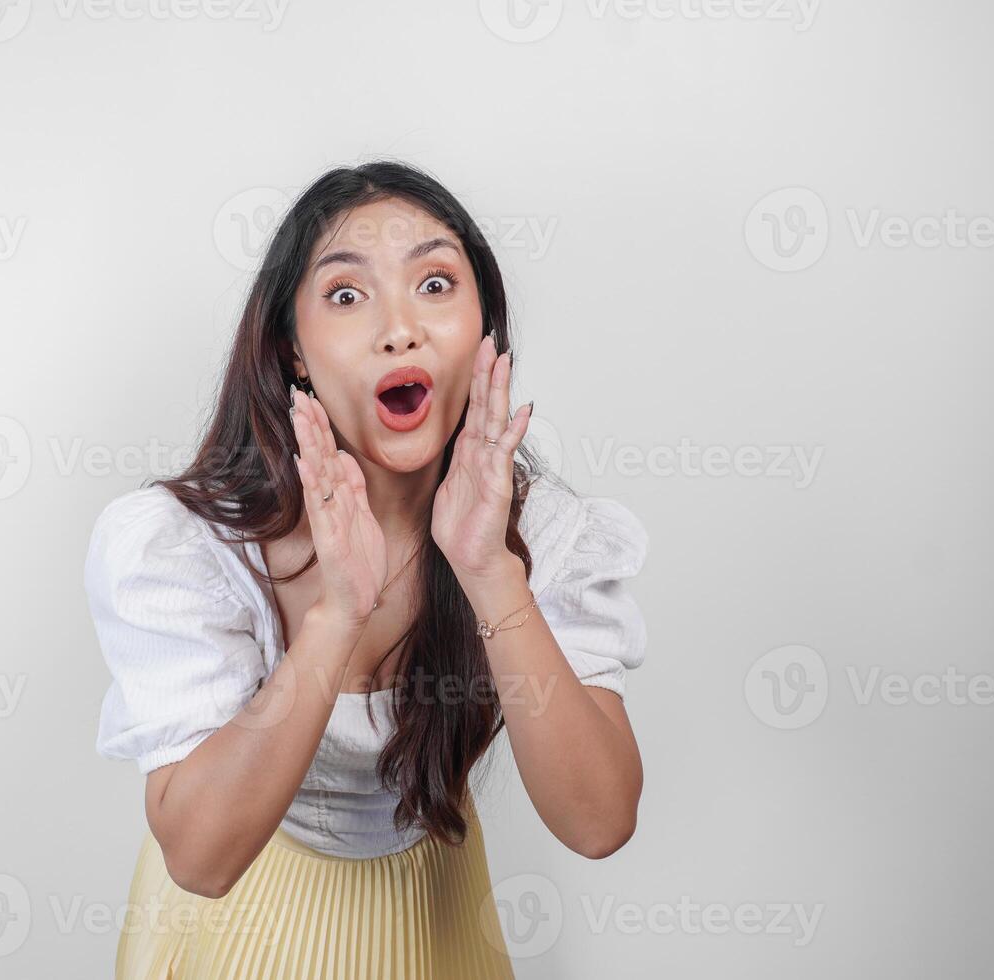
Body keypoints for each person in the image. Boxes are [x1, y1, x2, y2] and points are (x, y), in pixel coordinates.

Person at [86, 160, 649, 978]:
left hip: (434, 914)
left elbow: (599, 821)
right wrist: (336, 615)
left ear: (484, 327)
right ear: (295, 351)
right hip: (235, 930)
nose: (398, 328)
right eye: (346, 296)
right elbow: (200, 859)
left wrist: (489, 570)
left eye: (434, 284)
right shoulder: (190, 546)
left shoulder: (538, 531)